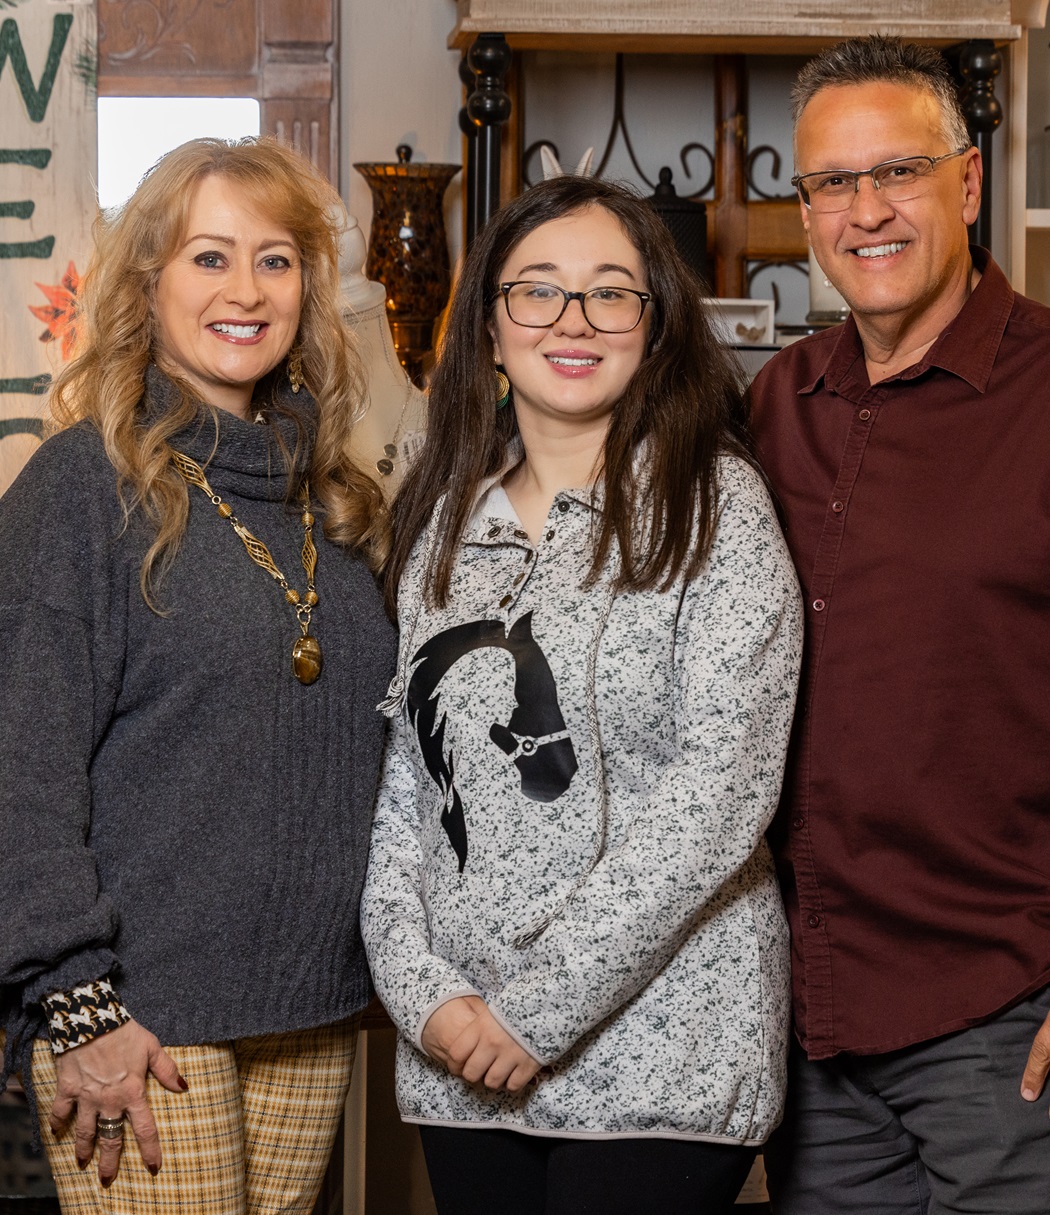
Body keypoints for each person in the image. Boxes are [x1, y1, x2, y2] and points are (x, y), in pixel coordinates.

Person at [749, 38, 1050, 1215]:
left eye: (898, 172)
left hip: (1019, 1008)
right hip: (812, 1019)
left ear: (966, 185)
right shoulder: (776, 404)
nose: (866, 211)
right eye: (831, 183)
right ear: (805, 210)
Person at [0, 137, 395, 1215]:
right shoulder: (80, 489)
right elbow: (6, 769)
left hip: (305, 1004)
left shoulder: (333, 497)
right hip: (135, 1009)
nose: (246, 290)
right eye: (207, 258)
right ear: (148, 284)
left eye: (276, 260)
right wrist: (74, 1005)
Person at [361, 174, 801, 1215]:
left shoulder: (715, 510)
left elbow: (718, 803)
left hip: (665, 1062)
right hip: (463, 1064)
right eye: (538, 291)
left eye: (611, 292)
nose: (573, 320)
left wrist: (537, 1014)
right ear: (490, 326)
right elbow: (405, 795)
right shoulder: (441, 520)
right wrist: (424, 997)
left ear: (654, 329)